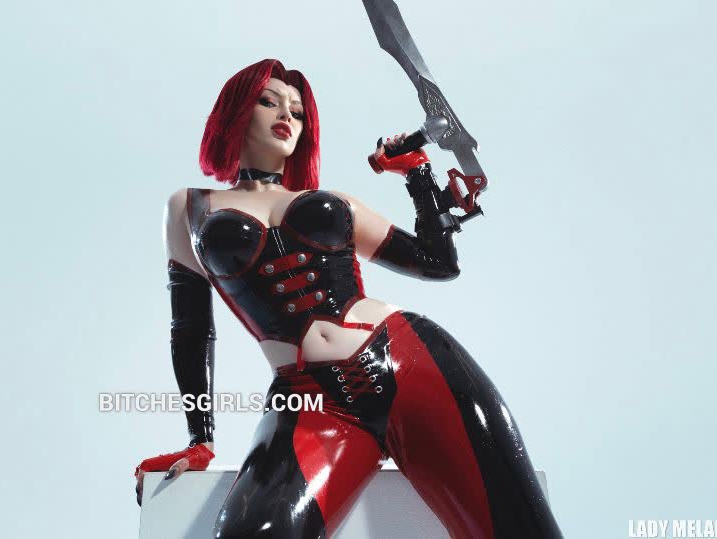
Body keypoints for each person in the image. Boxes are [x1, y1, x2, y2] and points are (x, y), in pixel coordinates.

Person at [134, 59, 563, 539]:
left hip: (411, 361)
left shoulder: (334, 202)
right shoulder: (188, 208)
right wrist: (200, 440)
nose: (286, 115)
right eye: (269, 101)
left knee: (521, 529)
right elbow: (191, 329)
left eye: (297, 111)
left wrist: (417, 173)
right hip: (309, 400)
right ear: (235, 111)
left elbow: (438, 262)